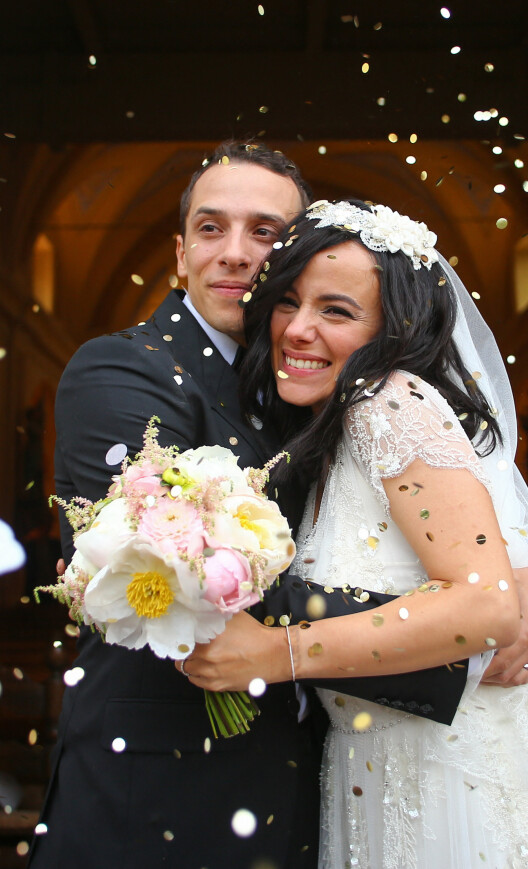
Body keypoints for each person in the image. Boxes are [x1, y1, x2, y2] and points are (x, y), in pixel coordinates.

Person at [29, 143, 481, 869]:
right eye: (211, 229)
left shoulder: (316, 383)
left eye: (265, 232)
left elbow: (448, 511)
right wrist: (458, 628)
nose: (235, 252)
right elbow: (190, 578)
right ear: (180, 255)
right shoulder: (122, 369)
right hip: (158, 798)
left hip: (307, 788)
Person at [184, 199, 528, 867]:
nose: (298, 329)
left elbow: (485, 603)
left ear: (389, 330)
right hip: (379, 766)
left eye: (336, 311)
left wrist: (278, 654)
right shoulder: (333, 428)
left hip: (454, 777)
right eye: (288, 302)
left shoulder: (387, 401)